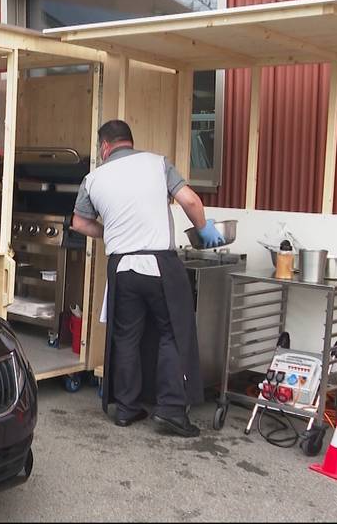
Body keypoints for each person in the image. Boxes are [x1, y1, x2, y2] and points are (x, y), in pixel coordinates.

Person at [71, 120, 224, 438]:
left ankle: (126, 408)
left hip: (122, 267)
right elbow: (191, 201)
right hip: (159, 263)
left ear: (104, 146)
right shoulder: (158, 164)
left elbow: (79, 223)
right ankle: (169, 410)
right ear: (129, 141)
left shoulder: (93, 178)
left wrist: (110, 233)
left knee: (126, 336)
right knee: (171, 332)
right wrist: (203, 230)